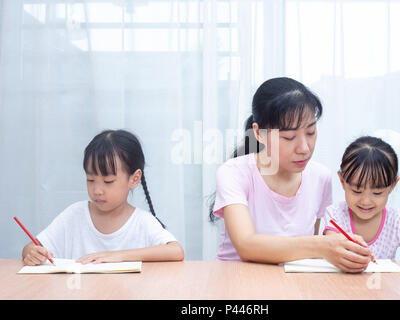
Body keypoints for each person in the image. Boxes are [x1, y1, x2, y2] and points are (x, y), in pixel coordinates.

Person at [210, 77, 373, 273]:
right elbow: (246, 245)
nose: (304, 148)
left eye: (311, 132)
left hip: (293, 284)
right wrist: (323, 246)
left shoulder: (320, 177)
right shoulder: (234, 173)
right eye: (289, 137)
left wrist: (341, 251)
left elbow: (306, 254)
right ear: (259, 133)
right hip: (236, 281)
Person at [21, 129, 184, 265]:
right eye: (90, 180)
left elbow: (176, 251)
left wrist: (120, 255)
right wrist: (33, 253)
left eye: (108, 181)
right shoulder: (74, 215)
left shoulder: (142, 222)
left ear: (134, 179)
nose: (97, 190)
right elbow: (30, 248)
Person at [324, 136, 400, 273]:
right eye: (356, 191)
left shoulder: (397, 219)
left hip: (383, 289)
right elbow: (331, 246)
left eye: (377, 193)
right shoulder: (336, 215)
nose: (366, 201)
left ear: (392, 186)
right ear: (342, 181)